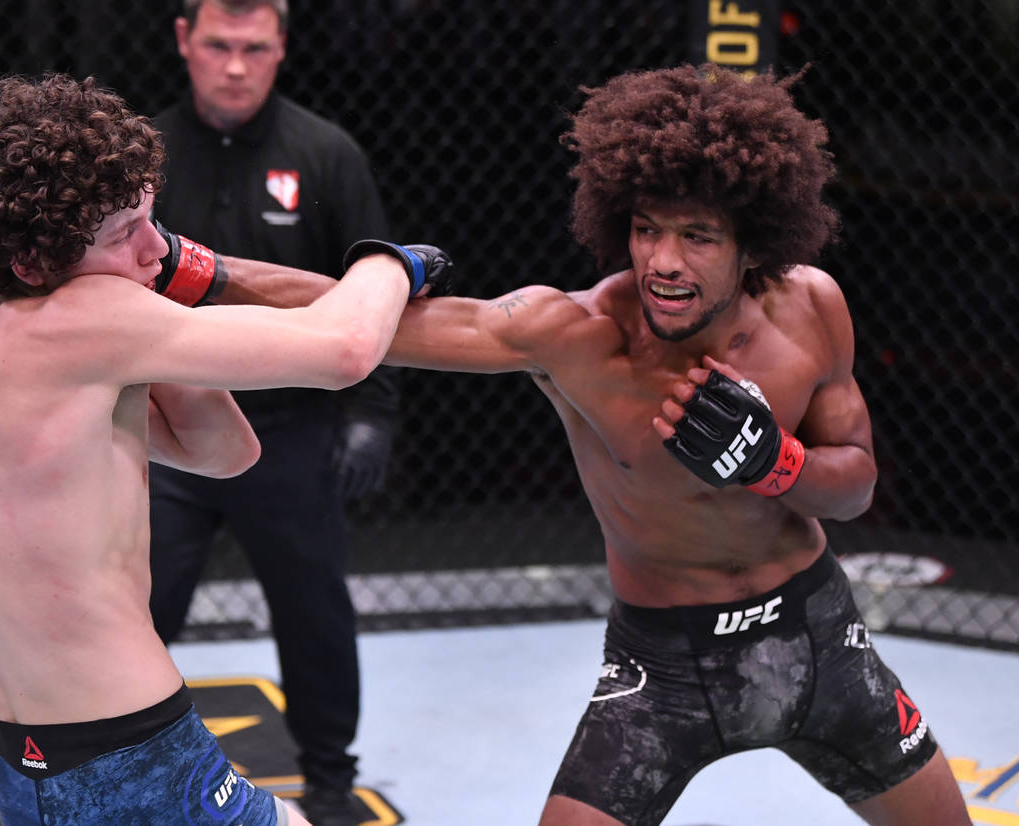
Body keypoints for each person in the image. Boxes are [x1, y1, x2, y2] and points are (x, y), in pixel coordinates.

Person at [230, 64, 972, 825]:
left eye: (698, 236)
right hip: (665, 667)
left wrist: (774, 462)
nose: (663, 261)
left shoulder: (812, 307)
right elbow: (356, 319)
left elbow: (855, 487)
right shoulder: (578, 336)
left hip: (818, 636)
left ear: (753, 246)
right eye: (647, 228)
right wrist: (195, 270)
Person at [0, 72, 448, 826]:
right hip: (129, 750)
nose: (154, 249)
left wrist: (150, 303)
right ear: (36, 260)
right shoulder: (90, 319)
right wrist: (389, 265)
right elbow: (345, 350)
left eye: (148, 217)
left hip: (21, 756)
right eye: (121, 235)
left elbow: (224, 453)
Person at [150, 2, 399, 821]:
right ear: (184, 40)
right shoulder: (143, 158)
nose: (234, 66)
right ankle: (115, 763)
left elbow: (379, 287)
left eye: (254, 49)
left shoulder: (325, 154)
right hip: (166, 424)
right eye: (217, 45)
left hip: (290, 431)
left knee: (314, 607)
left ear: (281, 48)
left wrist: (372, 414)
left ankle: (330, 780)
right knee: (132, 605)